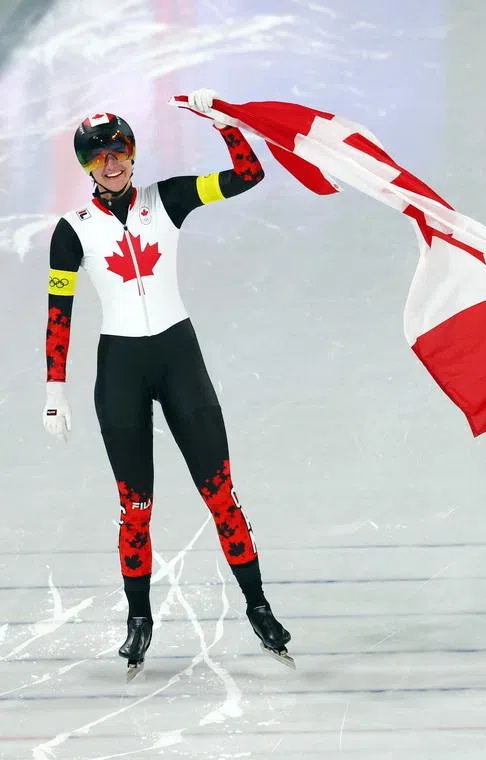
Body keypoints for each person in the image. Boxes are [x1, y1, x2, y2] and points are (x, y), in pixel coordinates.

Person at [42, 89, 292, 676]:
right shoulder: (71, 230)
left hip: (180, 358)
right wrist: (55, 390)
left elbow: (248, 174)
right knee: (136, 507)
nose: (113, 162)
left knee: (221, 494)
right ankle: (139, 621)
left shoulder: (168, 198)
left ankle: (258, 607)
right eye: (99, 155)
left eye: (120, 150)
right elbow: (59, 314)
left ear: (133, 152)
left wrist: (225, 121)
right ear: (86, 166)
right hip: (122, 368)